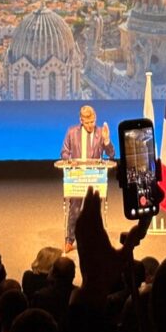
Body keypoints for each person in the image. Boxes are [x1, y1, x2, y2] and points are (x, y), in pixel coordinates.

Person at [60, 105, 114, 252]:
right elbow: (64, 152)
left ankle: (95, 240)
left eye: (93, 121)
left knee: (94, 210)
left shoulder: (100, 132)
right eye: (87, 122)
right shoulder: (72, 132)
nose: (91, 125)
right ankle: (70, 240)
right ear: (81, 120)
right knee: (75, 210)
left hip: (95, 178)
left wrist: (107, 140)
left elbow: (111, 154)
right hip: (78, 177)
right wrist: (70, 160)